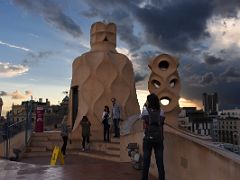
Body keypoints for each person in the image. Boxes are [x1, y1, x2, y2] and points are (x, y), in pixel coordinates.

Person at [141, 93, 165, 180]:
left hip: (148, 139)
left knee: (146, 162)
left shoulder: (145, 111)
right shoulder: (161, 112)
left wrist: (144, 106)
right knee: (160, 163)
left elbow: (143, 124)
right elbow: (161, 125)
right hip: (159, 139)